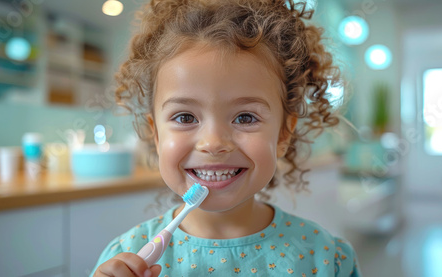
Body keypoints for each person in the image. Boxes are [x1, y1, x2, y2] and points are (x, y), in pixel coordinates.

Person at [91, 0, 360, 276]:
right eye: (185, 117)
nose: (213, 143)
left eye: (245, 117)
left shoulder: (324, 257)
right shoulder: (127, 260)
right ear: (156, 134)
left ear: (283, 134)